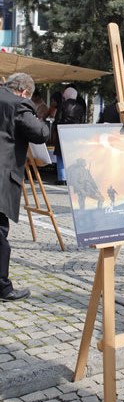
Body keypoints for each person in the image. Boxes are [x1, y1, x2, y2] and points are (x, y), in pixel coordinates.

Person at [0, 73, 49, 302]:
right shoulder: (18, 104)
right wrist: (42, 118)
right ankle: (2, 286)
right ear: (24, 91)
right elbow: (40, 133)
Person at [53, 86, 86, 185]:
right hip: (74, 134)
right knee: (73, 155)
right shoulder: (80, 107)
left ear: (66, 95)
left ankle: (62, 178)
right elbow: (82, 121)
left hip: (62, 132)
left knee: (60, 156)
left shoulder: (62, 105)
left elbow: (57, 120)